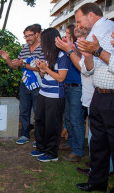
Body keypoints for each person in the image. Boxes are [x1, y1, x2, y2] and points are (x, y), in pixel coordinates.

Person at [72, 3, 114, 192]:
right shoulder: (91, 35)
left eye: (79, 21)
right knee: (97, 143)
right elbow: (87, 70)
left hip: (112, 96)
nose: (78, 26)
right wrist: (89, 55)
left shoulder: (109, 29)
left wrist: (97, 51)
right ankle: (97, 181)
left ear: (91, 15)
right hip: (99, 94)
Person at [0, 24, 44, 146]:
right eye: (25, 36)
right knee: (24, 111)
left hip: (38, 86)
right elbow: (15, 66)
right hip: (25, 85)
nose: (27, 39)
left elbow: (42, 68)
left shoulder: (43, 48)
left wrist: (24, 65)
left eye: (29, 36)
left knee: (38, 112)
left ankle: (39, 138)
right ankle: (25, 135)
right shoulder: (25, 49)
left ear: (37, 34)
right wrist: (8, 59)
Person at [31, 28, 69, 162]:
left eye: (42, 40)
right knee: (40, 120)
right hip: (43, 92)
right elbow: (44, 75)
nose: (40, 42)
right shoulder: (47, 55)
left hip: (55, 96)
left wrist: (46, 68)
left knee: (52, 125)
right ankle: (41, 147)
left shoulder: (62, 56)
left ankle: (52, 153)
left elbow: (61, 78)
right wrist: (42, 69)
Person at [60, 24, 85, 162]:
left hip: (77, 87)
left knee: (76, 119)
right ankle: (70, 144)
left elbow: (82, 62)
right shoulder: (66, 47)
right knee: (68, 118)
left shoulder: (79, 46)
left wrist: (72, 49)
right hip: (67, 86)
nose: (66, 35)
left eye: (68, 33)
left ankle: (78, 151)